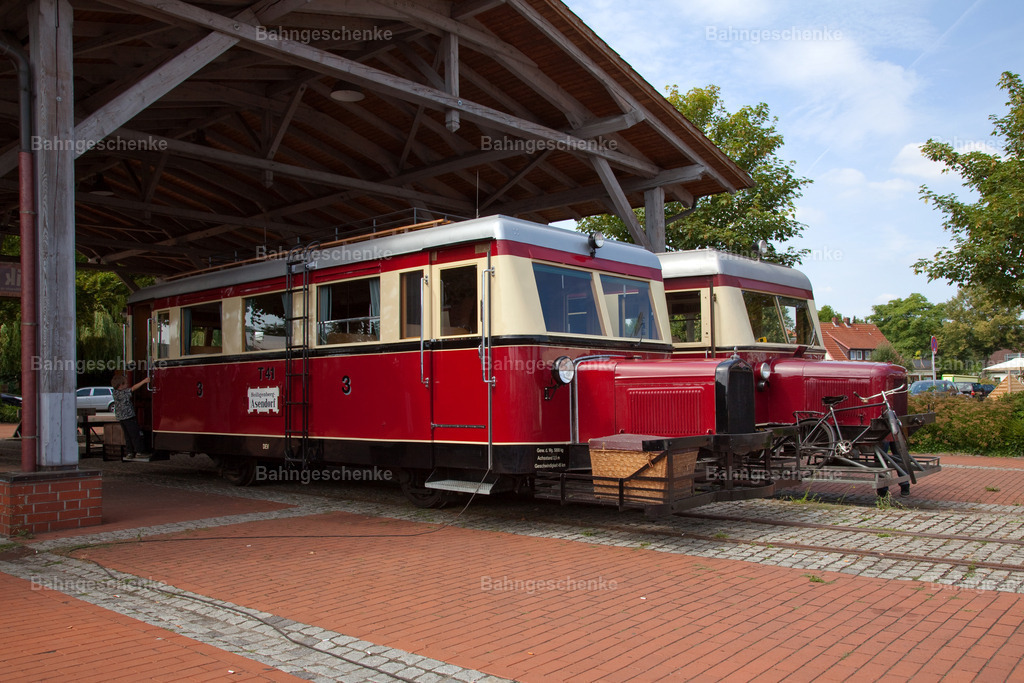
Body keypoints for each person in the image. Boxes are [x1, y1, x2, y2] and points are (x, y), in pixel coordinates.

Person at [112, 374, 149, 461]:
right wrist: (144, 381)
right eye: (126, 383)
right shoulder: (123, 392)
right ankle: (139, 452)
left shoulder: (115, 393)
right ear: (121, 385)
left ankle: (129, 452)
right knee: (135, 434)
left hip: (121, 418)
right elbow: (133, 388)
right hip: (129, 417)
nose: (127, 385)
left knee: (127, 435)